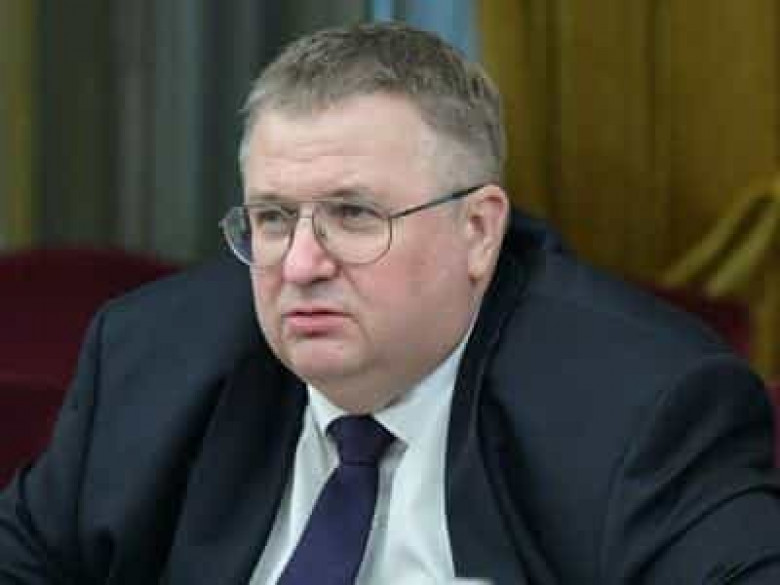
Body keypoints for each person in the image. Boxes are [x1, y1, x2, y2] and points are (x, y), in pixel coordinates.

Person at [2, 21, 780, 585]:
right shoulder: (152, 356)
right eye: (272, 217)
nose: (300, 264)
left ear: (478, 231)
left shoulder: (639, 403)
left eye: (354, 214)